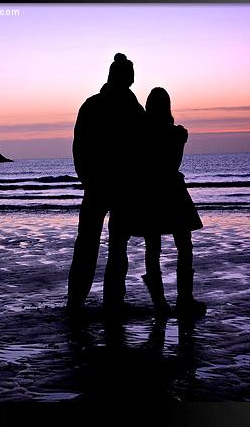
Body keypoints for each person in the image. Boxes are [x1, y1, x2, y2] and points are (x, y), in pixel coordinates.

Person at [66, 53, 145, 314]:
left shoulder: (94, 105)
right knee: (112, 246)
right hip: (115, 187)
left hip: (104, 186)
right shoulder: (132, 110)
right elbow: (144, 149)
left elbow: (79, 147)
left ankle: (79, 301)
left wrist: (87, 178)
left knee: (90, 245)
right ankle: (107, 301)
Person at [141, 87, 206, 318]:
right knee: (184, 247)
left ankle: (160, 303)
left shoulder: (143, 134)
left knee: (153, 249)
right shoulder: (178, 134)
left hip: (150, 193)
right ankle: (184, 298)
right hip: (173, 191)